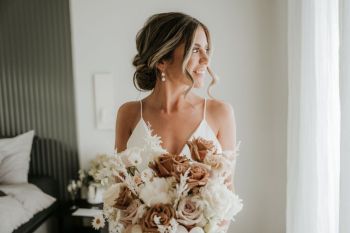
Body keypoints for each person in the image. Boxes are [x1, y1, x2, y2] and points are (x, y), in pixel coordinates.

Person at [115, 12, 238, 232]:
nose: (206, 60)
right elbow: (120, 194)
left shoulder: (220, 113)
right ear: (162, 60)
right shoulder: (129, 114)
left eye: (206, 49)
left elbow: (227, 195)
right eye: (195, 50)